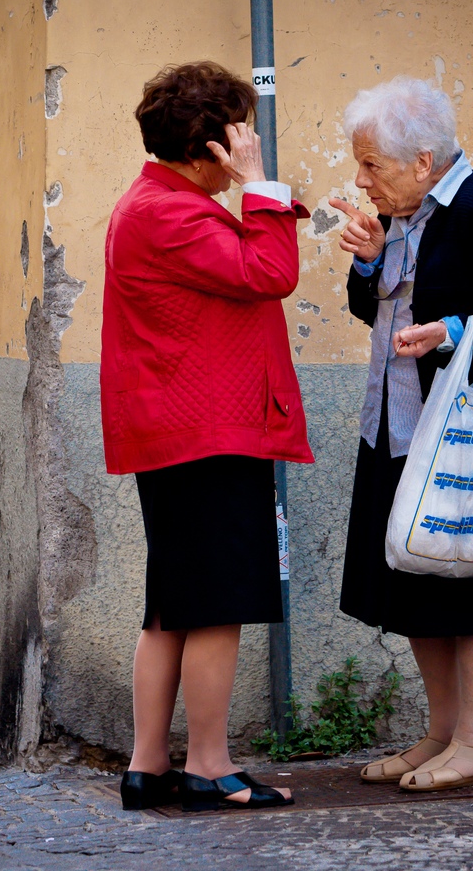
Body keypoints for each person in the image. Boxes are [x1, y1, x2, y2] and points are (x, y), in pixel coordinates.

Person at [330, 76, 473, 792]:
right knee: (415, 581)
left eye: (372, 165)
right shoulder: (405, 212)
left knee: (470, 583)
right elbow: (378, 308)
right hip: (394, 428)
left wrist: (454, 332)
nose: (361, 180)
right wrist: (368, 260)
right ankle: (441, 734)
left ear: (422, 162)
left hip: (458, 437)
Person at [101, 61, 313, 811]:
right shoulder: (171, 211)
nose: (249, 140)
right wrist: (259, 182)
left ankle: (148, 764)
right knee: (214, 604)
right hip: (206, 433)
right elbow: (270, 273)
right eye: (240, 132)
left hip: (185, 431)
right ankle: (210, 766)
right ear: (213, 145)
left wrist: (263, 196)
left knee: (173, 608)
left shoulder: (161, 201)